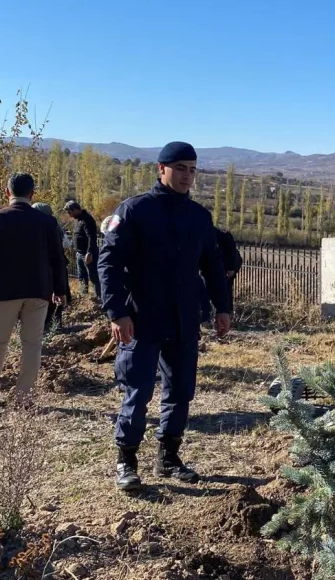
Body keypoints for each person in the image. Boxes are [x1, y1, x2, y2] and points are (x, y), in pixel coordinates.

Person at [98, 141, 232, 492]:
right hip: (142, 318)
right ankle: (126, 461)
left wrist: (223, 307)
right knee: (137, 390)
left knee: (180, 391)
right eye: (181, 168)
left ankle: (169, 457)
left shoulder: (199, 217)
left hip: (185, 318)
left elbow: (213, 267)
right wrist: (117, 311)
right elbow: (108, 263)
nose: (188, 175)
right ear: (161, 169)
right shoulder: (134, 211)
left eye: (192, 169)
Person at [0, 173, 69, 406]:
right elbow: (57, 259)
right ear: (32, 194)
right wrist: (60, 290)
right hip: (39, 290)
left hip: (5, 291)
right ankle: (25, 398)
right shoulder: (47, 222)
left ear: (7, 193)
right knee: (32, 345)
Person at [32, 202, 70, 333]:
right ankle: (55, 324)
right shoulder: (54, 225)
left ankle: (50, 325)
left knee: (51, 296)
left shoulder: (41, 227)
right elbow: (65, 245)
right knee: (56, 295)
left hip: (49, 266)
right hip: (57, 265)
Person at [62, 200, 102, 299]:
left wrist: (89, 252)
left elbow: (91, 237)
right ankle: (84, 297)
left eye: (70, 212)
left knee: (93, 277)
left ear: (75, 209)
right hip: (80, 254)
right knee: (82, 276)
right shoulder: (79, 220)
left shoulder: (87, 219)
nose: (70, 215)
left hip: (87, 254)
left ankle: (99, 298)